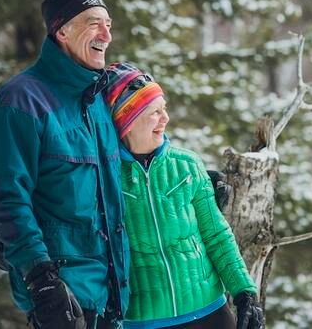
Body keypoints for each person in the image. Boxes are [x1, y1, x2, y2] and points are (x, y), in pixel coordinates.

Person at [0, 0, 129, 329]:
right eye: (94, 23)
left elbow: (130, 167)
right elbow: (8, 199)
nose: (106, 35)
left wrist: (196, 183)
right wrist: (41, 279)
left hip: (114, 299)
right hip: (64, 302)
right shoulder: (20, 102)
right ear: (62, 30)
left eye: (108, 23)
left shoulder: (98, 100)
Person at [103, 62, 265, 329]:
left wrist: (244, 292)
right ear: (126, 120)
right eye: (154, 112)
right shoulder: (105, 177)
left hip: (210, 312)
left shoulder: (187, 165)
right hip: (145, 320)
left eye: (163, 109)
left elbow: (216, 236)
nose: (165, 118)